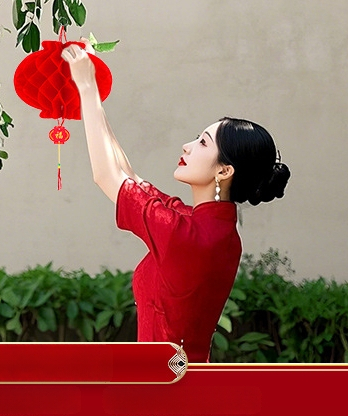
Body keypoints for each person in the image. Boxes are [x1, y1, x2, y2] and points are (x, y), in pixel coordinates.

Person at [62, 41, 291, 363]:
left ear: (224, 170)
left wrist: (86, 87)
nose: (186, 146)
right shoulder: (213, 230)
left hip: (165, 381)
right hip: (184, 375)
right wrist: (94, 96)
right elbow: (128, 176)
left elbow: (106, 177)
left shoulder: (185, 234)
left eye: (202, 143)